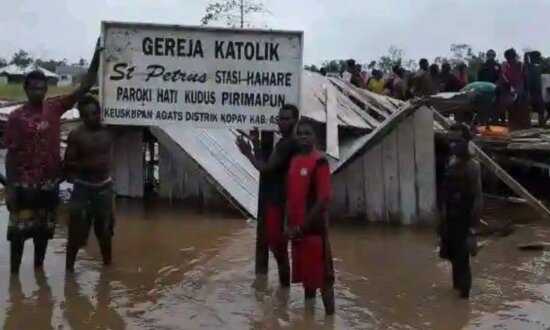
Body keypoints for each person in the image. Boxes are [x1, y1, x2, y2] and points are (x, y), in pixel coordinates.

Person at [1, 41, 101, 274]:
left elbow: (84, 86)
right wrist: (11, 188)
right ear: (26, 89)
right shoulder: (16, 117)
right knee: (17, 236)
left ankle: (39, 278)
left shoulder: (55, 107)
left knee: (43, 235)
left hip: (49, 184)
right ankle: (14, 281)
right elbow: (10, 154)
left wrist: (97, 54)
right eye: (34, 88)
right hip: (24, 186)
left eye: (42, 88)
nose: (39, 92)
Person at [236, 104, 300, 287]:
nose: (281, 122)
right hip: (275, 200)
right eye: (280, 118)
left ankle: (284, 290)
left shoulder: (288, 143)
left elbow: (266, 169)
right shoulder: (284, 143)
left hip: (278, 201)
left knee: (278, 249)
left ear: (295, 120)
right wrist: (256, 147)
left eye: (286, 118)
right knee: (276, 247)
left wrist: (247, 153)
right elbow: (268, 165)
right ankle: (282, 292)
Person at [285, 120, 335, 315]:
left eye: (307, 133)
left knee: (324, 279)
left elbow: (323, 199)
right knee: (308, 280)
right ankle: (309, 320)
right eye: (300, 133)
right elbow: (290, 196)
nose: (303, 136)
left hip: (314, 232)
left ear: (315, 137)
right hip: (297, 233)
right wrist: (289, 227)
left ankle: (330, 319)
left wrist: (302, 228)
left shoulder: (320, 162)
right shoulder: (295, 161)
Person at [64, 96, 116, 272]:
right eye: (87, 115)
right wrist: (88, 165)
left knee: (105, 232)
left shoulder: (110, 130)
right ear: (81, 117)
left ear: (100, 112)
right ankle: (68, 273)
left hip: (104, 188)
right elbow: (68, 163)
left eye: (95, 113)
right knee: (76, 234)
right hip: (83, 189)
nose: (92, 118)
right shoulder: (77, 134)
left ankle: (108, 270)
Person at [441, 123, 482, 299]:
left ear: (466, 142)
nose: (452, 145)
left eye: (457, 141)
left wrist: (473, 228)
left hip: (463, 219)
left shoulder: (472, 166)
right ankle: (456, 291)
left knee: (462, 259)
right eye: (450, 141)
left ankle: (463, 301)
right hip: (449, 217)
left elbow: (478, 197)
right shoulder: (450, 162)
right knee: (451, 255)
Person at [500, 48, 529, 130]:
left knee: (521, 108)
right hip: (508, 89)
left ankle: (521, 127)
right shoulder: (505, 65)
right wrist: (509, 86)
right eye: (509, 58)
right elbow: (504, 77)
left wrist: (525, 91)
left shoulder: (521, 65)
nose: (511, 59)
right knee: (510, 107)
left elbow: (525, 78)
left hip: (519, 88)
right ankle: (511, 126)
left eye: (512, 57)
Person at [524, 51, 545, 125]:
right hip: (531, 90)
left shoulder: (538, 67)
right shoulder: (529, 66)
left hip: (537, 91)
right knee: (530, 108)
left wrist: (528, 54)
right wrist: (527, 54)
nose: (538, 58)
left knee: (540, 109)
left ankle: (541, 122)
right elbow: (526, 61)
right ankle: (529, 123)